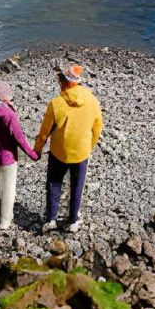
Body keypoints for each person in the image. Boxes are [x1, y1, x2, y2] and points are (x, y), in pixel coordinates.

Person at [34, 64, 103, 233]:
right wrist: (89, 146)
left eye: (60, 79)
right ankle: (73, 221)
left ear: (64, 82)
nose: (59, 82)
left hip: (59, 152)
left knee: (54, 183)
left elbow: (45, 132)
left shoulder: (56, 103)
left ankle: (51, 219)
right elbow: (97, 127)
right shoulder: (92, 100)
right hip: (81, 152)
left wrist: (37, 149)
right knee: (77, 186)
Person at [0, 79, 39, 233]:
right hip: (9, 158)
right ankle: (5, 221)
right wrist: (33, 155)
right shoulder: (9, 113)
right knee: (9, 188)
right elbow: (19, 139)